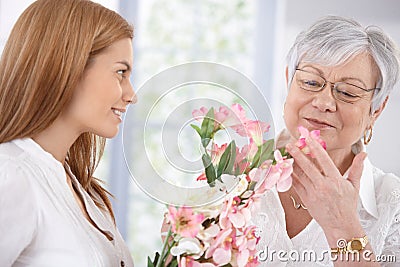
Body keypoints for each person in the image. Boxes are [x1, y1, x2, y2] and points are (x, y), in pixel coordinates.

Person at [254, 16, 400, 266]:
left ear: (376, 110)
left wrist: (343, 225)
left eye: (347, 92)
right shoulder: (233, 176)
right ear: (289, 80)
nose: (323, 103)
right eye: (310, 82)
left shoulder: (392, 203)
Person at [0, 0, 136, 266]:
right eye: (120, 72)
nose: (132, 95)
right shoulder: (11, 175)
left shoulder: (85, 191)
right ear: (68, 67)